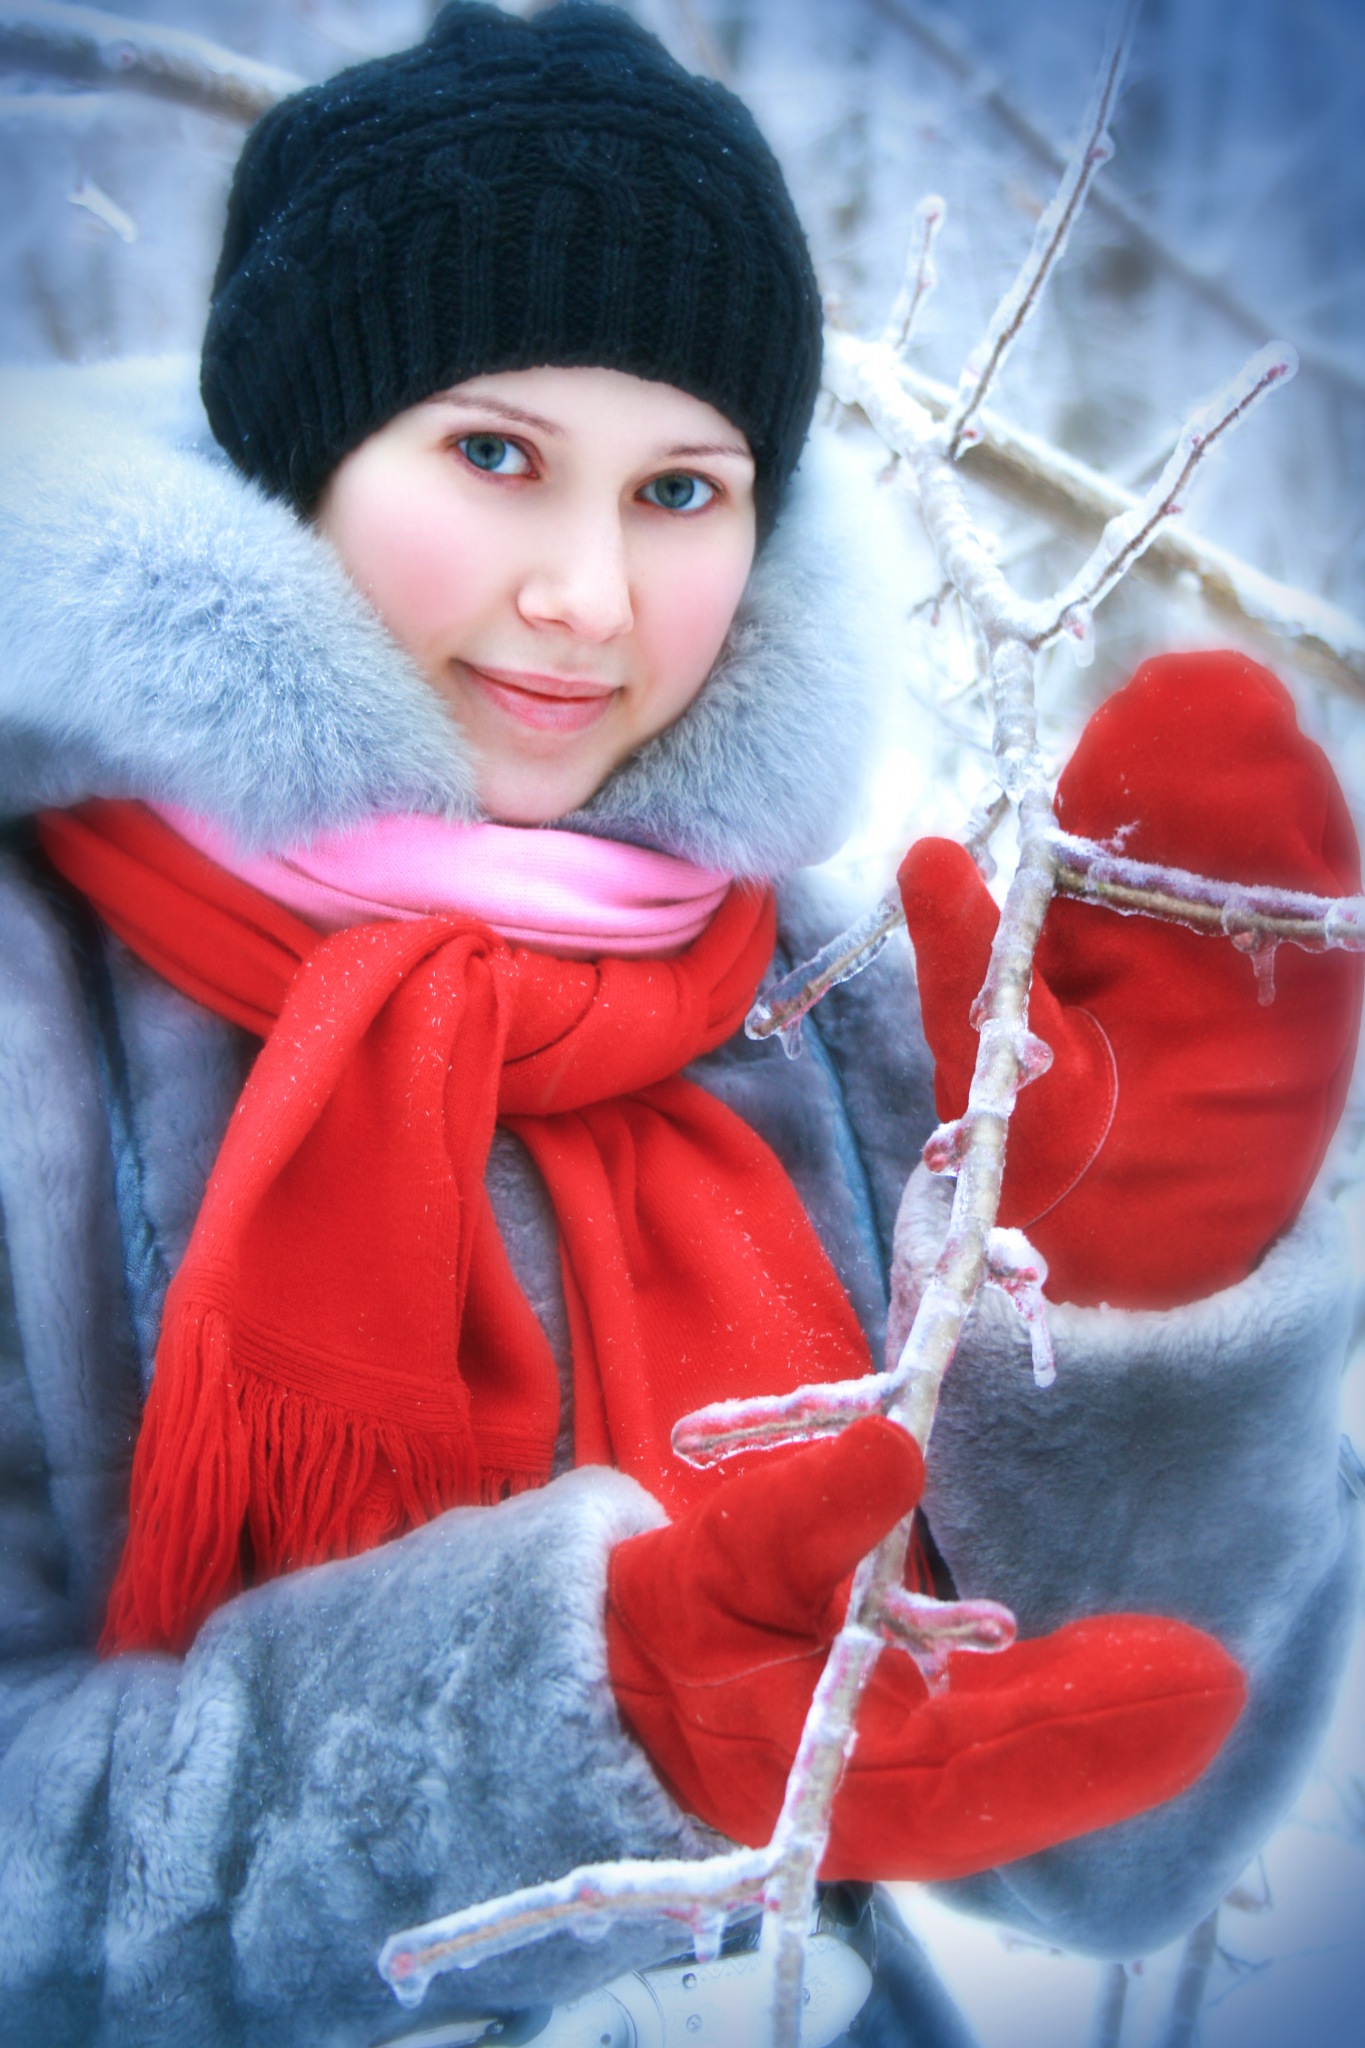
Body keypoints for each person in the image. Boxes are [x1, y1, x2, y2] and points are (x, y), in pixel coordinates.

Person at [0, 5, 1359, 2043]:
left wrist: (1140, 1314)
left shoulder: (816, 995)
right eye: (493, 455)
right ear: (302, 457)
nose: (587, 595)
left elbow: (1108, 1847)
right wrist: (562, 1732)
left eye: (678, 489)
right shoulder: (39, 992)